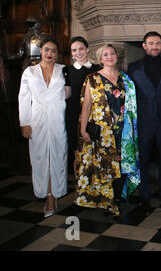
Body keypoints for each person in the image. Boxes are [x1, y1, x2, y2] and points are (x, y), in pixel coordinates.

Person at [74, 44, 139, 219]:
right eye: (105, 54)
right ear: (100, 59)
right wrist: (82, 130)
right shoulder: (93, 79)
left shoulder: (126, 79)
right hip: (103, 132)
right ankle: (106, 200)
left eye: (112, 53)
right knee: (105, 166)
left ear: (116, 57)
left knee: (121, 165)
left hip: (123, 131)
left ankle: (117, 199)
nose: (110, 56)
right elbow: (86, 105)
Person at [18, 38, 69, 218]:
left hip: (57, 118)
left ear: (57, 54)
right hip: (37, 118)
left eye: (54, 51)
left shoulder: (63, 71)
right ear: (41, 50)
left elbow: (69, 94)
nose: (50, 54)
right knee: (40, 157)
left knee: (58, 155)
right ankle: (45, 192)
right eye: (47, 49)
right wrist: (25, 123)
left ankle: (53, 195)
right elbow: (24, 98)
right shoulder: (30, 72)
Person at [127, 31, 161, 212]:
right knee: (143, 160)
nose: (155, 46)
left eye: (158, 43)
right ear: (144, 45)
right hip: (143, 122)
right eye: (151, 43)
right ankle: (144, 196)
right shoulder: (133, 67)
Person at [63, 37, 101, 175]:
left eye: (81, 49)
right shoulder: (66, 70)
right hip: (73, 115)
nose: (78, 52)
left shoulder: (98, 69)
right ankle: (80, 188)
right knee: (77, 153)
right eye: (74, 50)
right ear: (71, 53)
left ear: (87, 49)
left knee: (96, 152)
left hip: (95, 116)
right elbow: (66, 95)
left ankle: (95, 188)